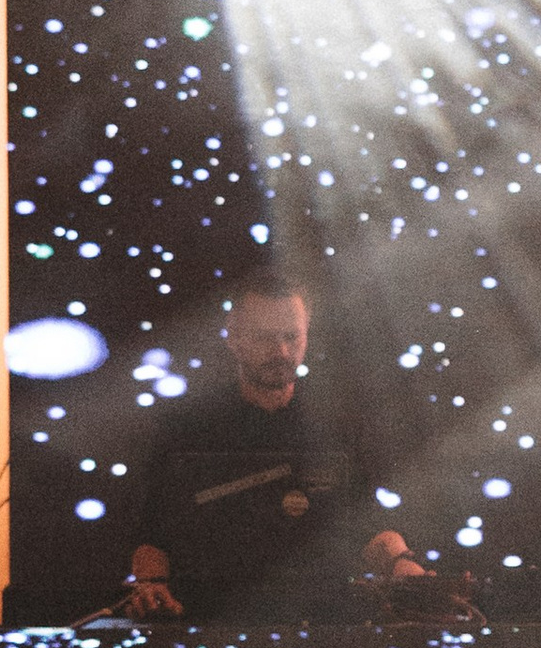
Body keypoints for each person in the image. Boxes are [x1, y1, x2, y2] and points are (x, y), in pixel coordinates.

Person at [126, 265, 422, 619]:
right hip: (209, 623)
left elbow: (369, 527)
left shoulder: (338, 422)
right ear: (233, 337)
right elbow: (153, 534)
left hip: (321, 624)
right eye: (265, 338)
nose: (281, 351)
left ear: (307, 336)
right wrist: (152, 585)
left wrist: (403, 564)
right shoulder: (186, 427)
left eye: (291, 337)